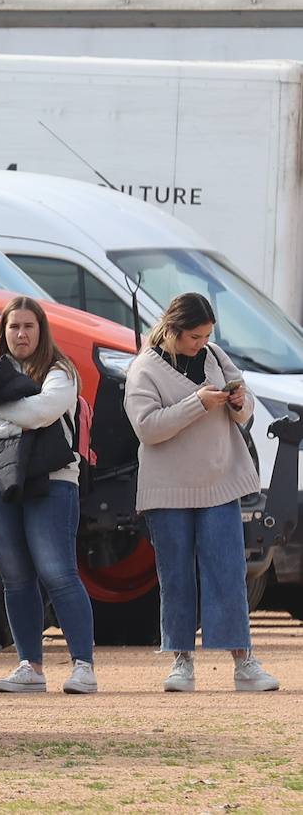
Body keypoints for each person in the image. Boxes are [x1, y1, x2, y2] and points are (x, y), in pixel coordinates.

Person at [123, 292, 279, 693]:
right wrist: (197, 404)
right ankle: (181, 659)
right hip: (167, 489)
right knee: (175, 577)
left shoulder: (214, 356)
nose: (202, 343)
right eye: (195, 336)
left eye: (207, 335)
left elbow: (246, 412)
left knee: (228, 572)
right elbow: (147, 428)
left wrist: (239, 402)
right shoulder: (144, 368)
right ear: (173, 331)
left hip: (219, 482)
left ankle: (244, 660)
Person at [0, 296, 97, 695]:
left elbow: (45, 412)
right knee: (16, 578)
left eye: (28, 327)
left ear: (42, 330)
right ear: (3, 330)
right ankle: (30, 666)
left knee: (58, 573)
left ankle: (83, 665)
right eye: (14, 326)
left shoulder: (61, 371)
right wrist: (18, 426)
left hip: (53, 481)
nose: (21, 334)